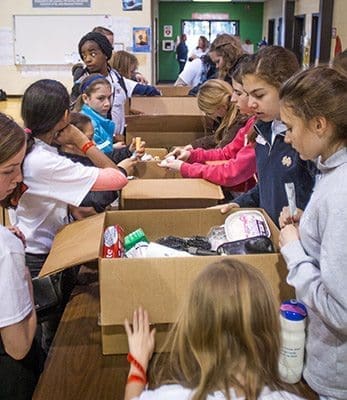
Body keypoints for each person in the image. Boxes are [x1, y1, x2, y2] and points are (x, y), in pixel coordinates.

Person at [9, 79, 133, 354]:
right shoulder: (43, 161)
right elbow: (117, 179)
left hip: (37, 248)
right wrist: (82, 141)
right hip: (40, 257)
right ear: (65, 116)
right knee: (51, 338)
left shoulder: (33, 149)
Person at [123, 259, 303, 400]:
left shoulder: (170, 396)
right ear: (271, 331)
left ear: (192, 330)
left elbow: (132, 397)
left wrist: (138, 364)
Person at [278, 66, 347, 400]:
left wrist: (293, 250)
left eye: (291, 127)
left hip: (336, 371)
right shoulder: (330, 172)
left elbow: (340, 312)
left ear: (319, 124)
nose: (287, 137)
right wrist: (308, 225)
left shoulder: (341, 190)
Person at [220, 46, 316, 226]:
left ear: (285, 88)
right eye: (248, 95)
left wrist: (306, 221)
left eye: (259, 95)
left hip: (298, 241)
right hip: (274, 234)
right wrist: (238, 203)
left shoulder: (305, 141)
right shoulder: (263, 131)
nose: (250, 103)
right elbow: (267, 187)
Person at [0, 113, 44, 399]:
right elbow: (18, 345)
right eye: (8, 171)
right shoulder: (6, 249)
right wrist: (24, 275)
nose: (18, 179)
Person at [161, 76, 256, 199]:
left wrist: (184, 167)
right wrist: (191, 155)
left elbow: (232, 171)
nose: (232, 98)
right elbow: (225, 153)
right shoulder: (250, 124)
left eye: (238, 93)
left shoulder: (247, 125)